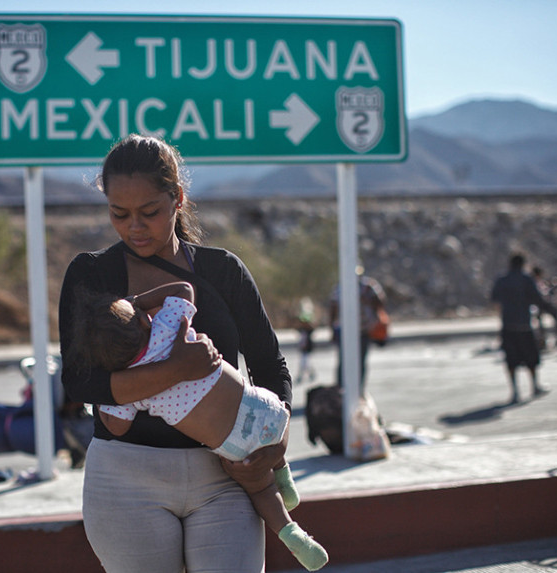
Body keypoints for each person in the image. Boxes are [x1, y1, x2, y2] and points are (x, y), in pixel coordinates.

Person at [59, 134, 294, 573]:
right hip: (125, 480)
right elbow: (79, 381)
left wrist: (276, 437)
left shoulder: (223, 271)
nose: (134, 227)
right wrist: (175, 370)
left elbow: (269, 366)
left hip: (223, 477)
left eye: (149, 212)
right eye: (119, 213)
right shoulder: (91, 274)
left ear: (177, 199)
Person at [71, 281, 327, 571]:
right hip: (265, 408)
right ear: (144, 321)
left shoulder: (135, 387)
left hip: (232, 444)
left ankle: (289, 531)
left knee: (260, 490)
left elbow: (115, 427)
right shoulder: (167, 327)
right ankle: (285, 478)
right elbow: (183, 290)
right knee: (269, 445)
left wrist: (109, 388)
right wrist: (139, 301)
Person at [490, 253, 557, 403]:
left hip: (507, 325)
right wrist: (552, 312)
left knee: (511, 359)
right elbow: (538, 299)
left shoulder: (501, 279)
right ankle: (535, 386)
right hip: (524, 325)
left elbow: (494, 298)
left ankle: (515, 391)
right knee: (531, 357)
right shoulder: (526, 279)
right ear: (522, 264)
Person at [328, 268, 387, 393]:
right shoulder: (340, 287)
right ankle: (340, 389)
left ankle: (359, 390)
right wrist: (332, 329)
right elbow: (333, 308)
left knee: (360, 360)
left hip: (363, 329)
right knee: (343, 360)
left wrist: (366, 300)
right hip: (344, 330)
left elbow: (380, 301)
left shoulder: (368, 286)